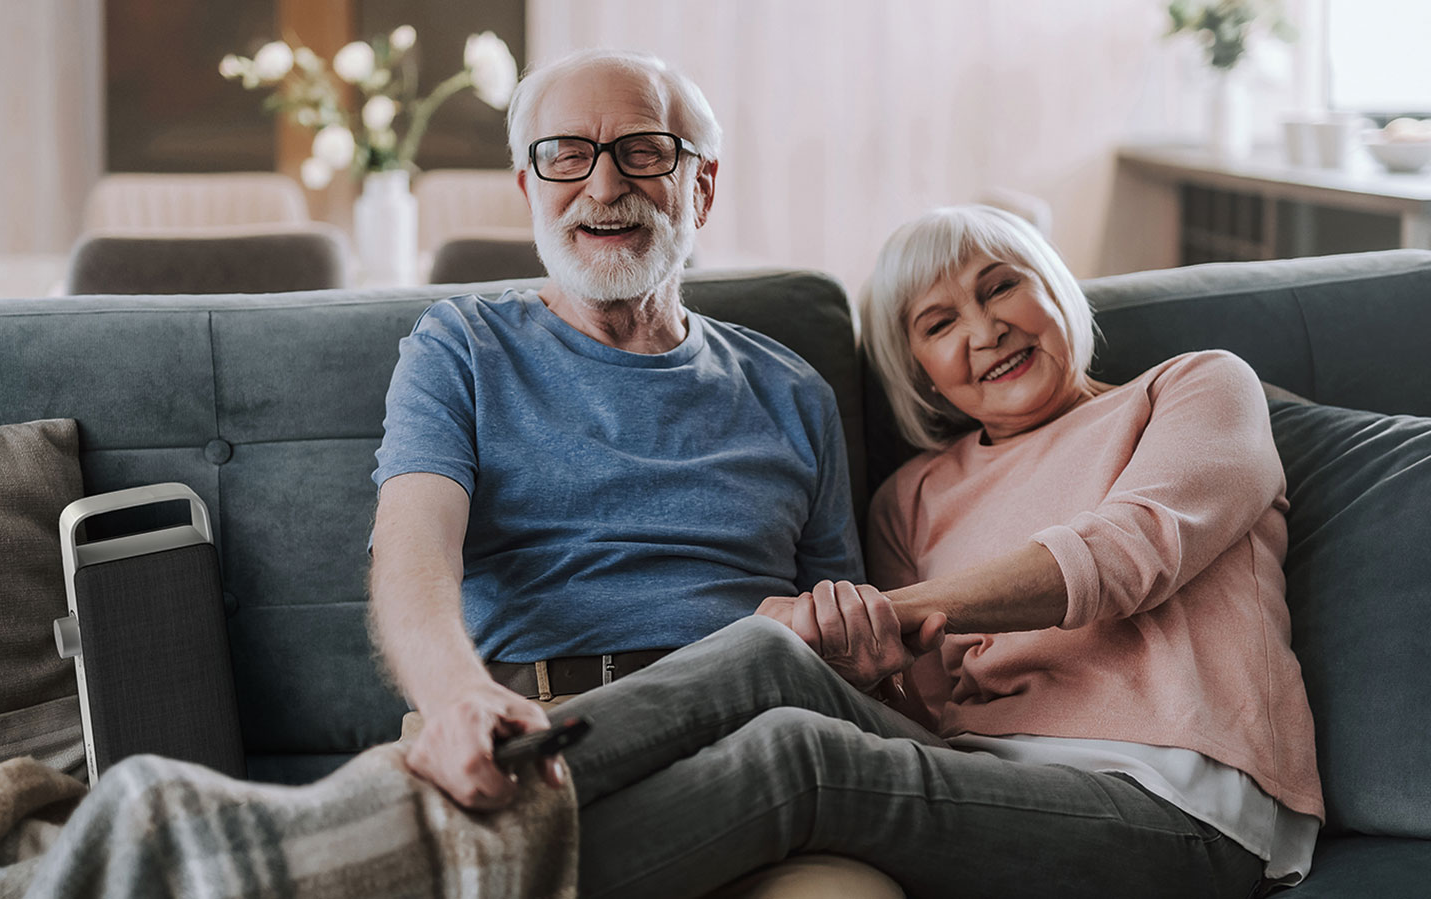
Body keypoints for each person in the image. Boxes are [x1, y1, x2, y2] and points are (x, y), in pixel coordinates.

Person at [538, 205, 1324, 898]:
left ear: (1055, 288)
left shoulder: (1191, 389)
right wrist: (844, 650)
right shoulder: (911, 498)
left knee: (800, 759)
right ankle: (473, 793)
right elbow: (921, 708)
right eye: (939, 323)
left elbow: (1129, 554)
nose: (985, 332)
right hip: (981, 781)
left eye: (999, 287)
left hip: (1176, 805)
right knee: (766, 649)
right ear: (922, 375)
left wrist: (888, 611)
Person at [368, 49, 862, 810]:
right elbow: (412, 551)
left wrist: (872, 652)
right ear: (530, 188)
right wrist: (456, 696)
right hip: (527, 729)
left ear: (701, 187)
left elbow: (846, 630)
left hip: (752, 740)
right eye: (566, 155)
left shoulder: (793, 391)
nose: (603, 186)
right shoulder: (460, 347)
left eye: (643, 152)